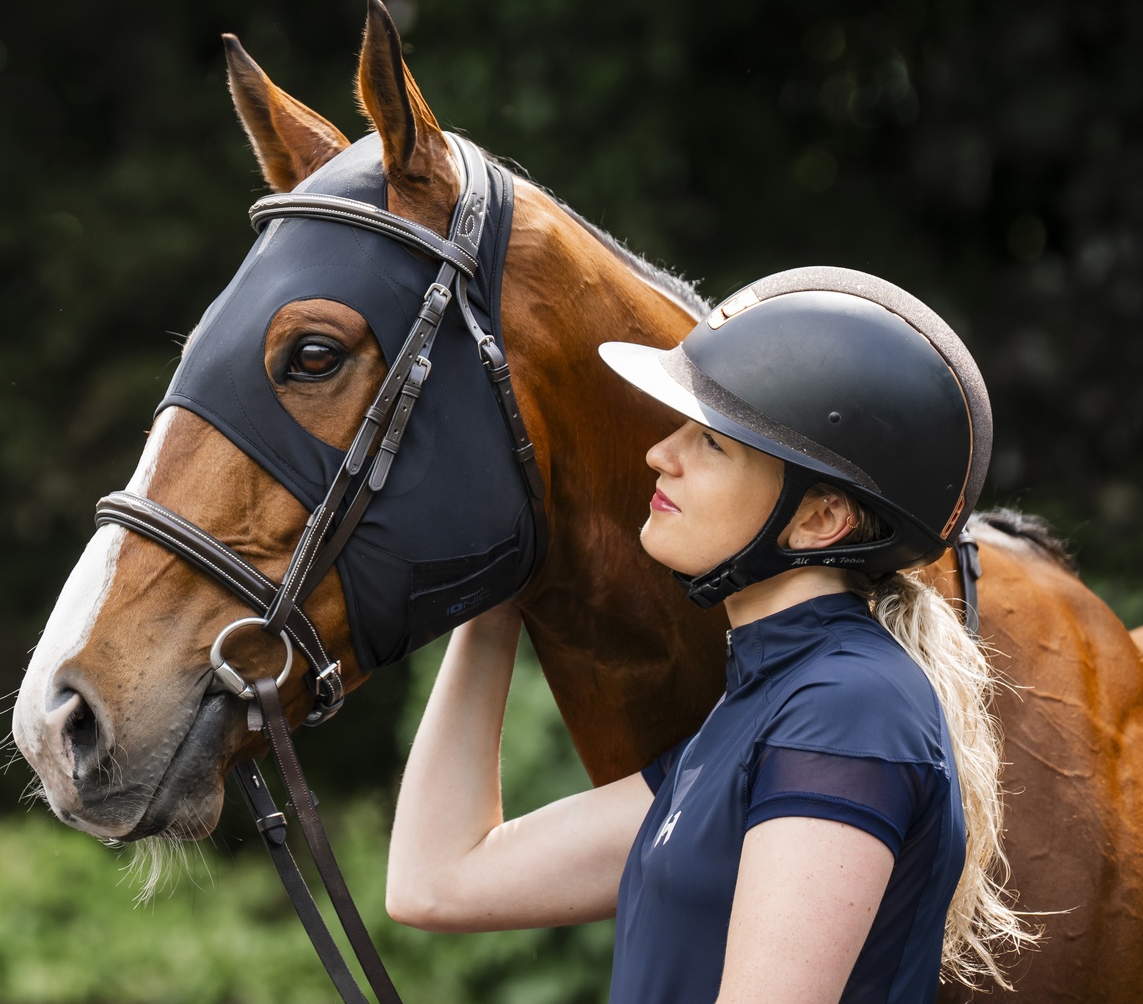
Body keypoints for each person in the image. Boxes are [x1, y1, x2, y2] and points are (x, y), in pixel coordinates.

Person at [385, 267, 1033, 1003]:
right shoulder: (759, 713)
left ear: (821, 519)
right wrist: (498, 596)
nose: (663, 454)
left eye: (713, 443)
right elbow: (436, 881)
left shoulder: (849, 710)